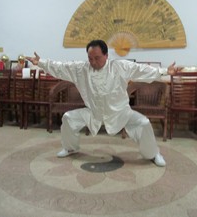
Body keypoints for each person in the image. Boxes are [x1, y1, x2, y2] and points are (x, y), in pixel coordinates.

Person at [26, 39, 178, 167]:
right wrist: (41, 62)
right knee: (68, 118)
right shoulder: (81, 69)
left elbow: (141, 70)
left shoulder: (119, 67)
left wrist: (164, 71)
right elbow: (60, 67)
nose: (93, 62)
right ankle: (70, 148)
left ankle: (153, 154)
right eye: (90, 58)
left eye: (97, 58)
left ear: (106, 55)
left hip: (120, 112)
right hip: (94, 112)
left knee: (144, 123)